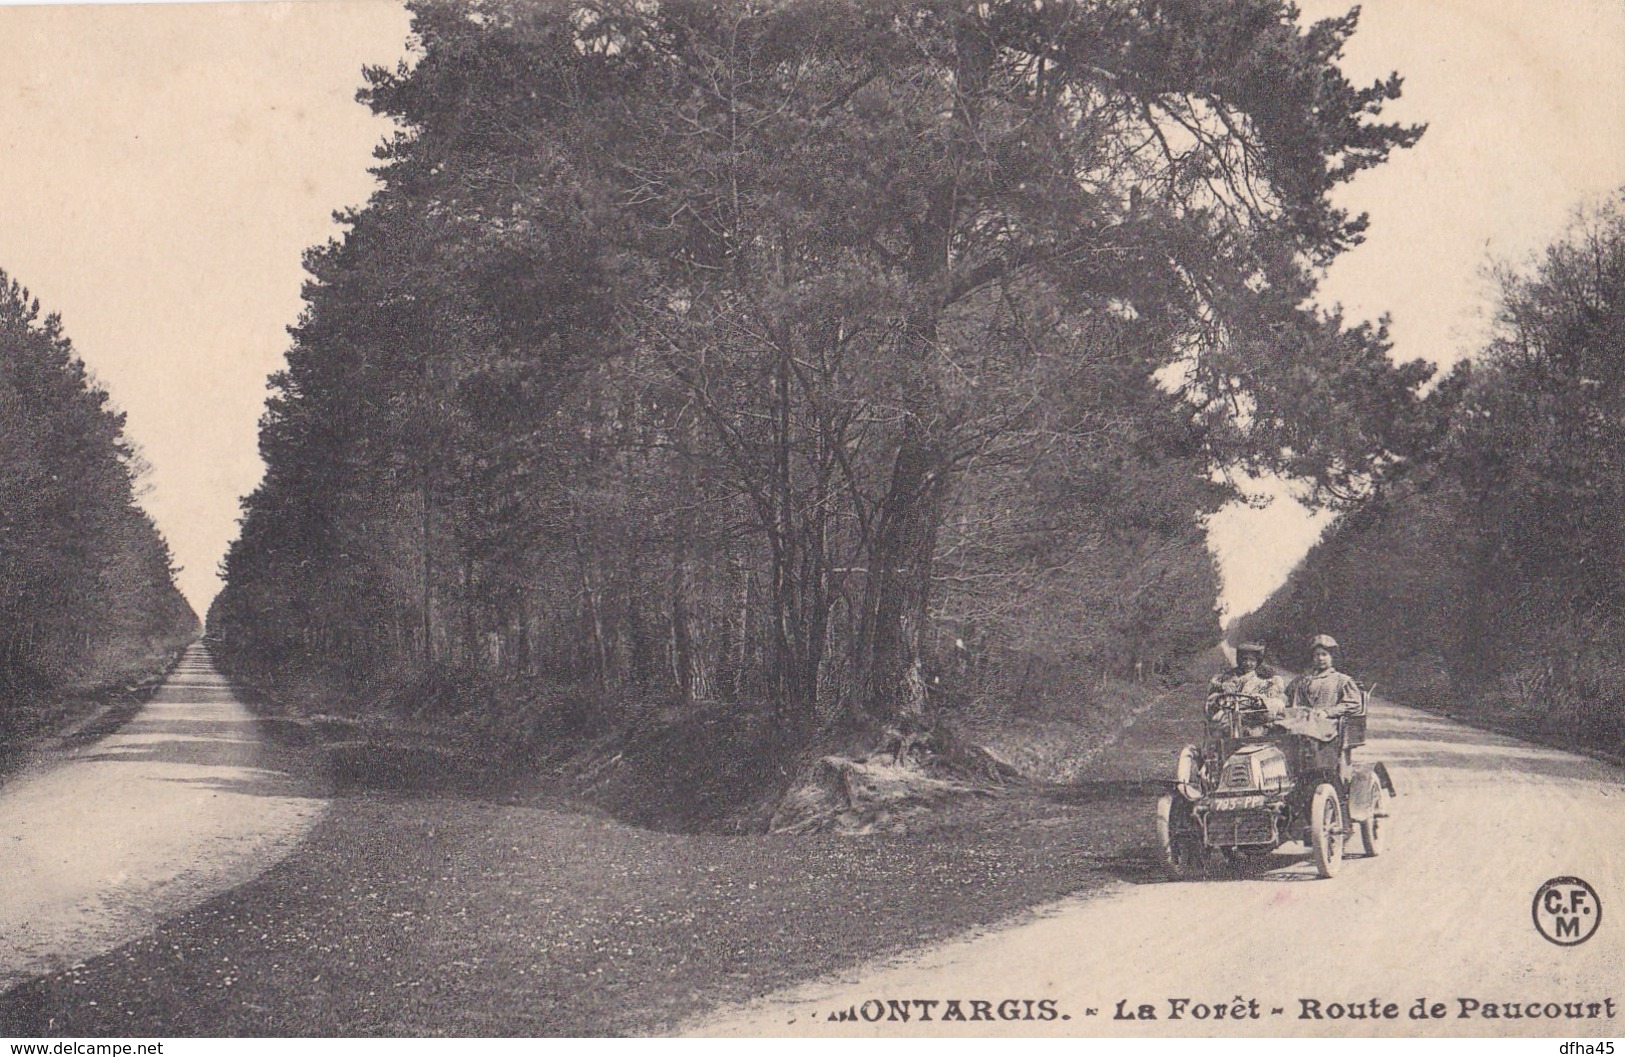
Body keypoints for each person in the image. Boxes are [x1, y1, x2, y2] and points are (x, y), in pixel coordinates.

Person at [1279, 634, 1363, 741]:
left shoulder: (1342, 680)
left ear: (1332, 657)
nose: (1320, 658)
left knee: (1303, 734)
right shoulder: (1302, 679)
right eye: (1317, 655)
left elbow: (1353, 704)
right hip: (1299, 719)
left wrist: (1328, 712)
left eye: (1324, 654)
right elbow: (1286, 697)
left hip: (1326, 724)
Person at [1208, 642, 1286, 718]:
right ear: (1239, 660)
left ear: (1257, 661)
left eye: (1252, 660)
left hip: (1253, 713)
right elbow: (1215, 691)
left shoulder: (1265, 676)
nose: (1248, 663)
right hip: (1231, 712)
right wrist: (1223, 686)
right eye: (1245, 659)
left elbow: (1274, 695)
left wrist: (1262, 699)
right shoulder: (1230, 675)